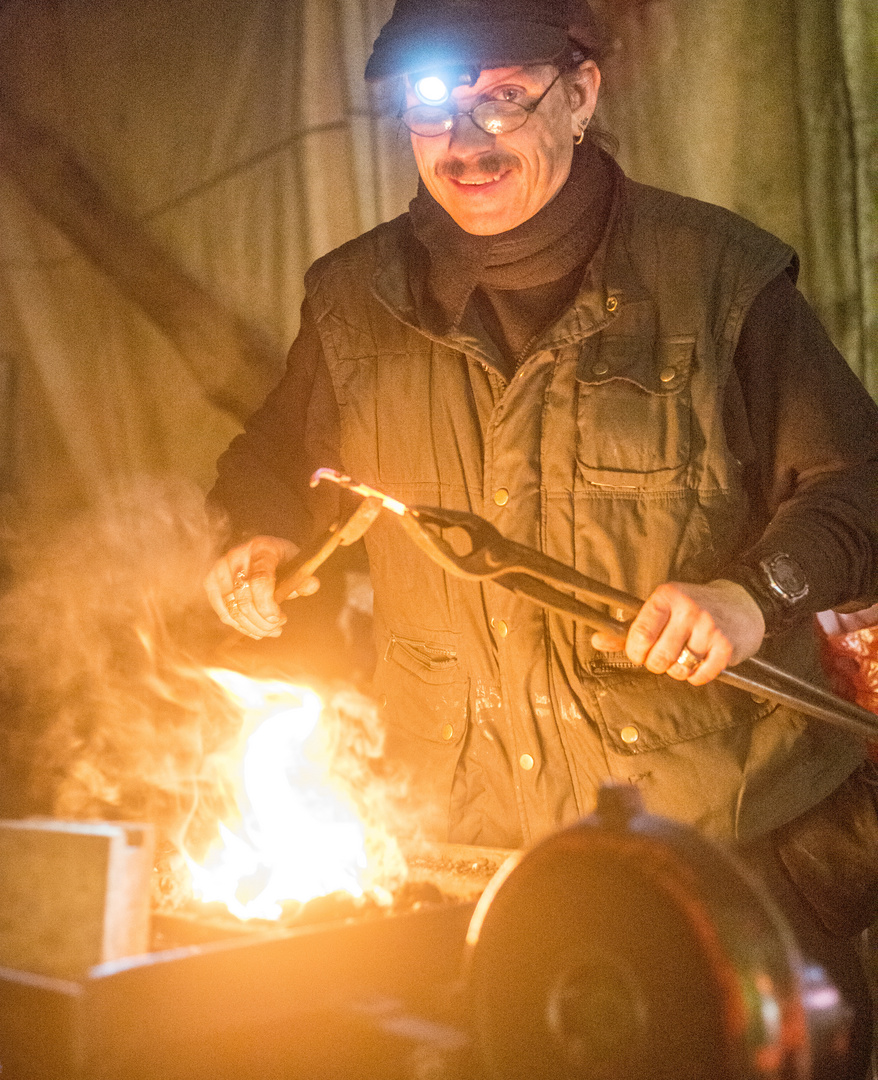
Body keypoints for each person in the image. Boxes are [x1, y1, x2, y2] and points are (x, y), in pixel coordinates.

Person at [205, 1, 878, 1071]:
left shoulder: (718, 281)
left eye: (501, 100)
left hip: (719, 860)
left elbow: (856, 487)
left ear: (579, 96)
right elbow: (273, 465)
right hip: (464, 870)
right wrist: (260, 535)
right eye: (431, 108)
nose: (465, 142)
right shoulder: (351, 302)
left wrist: (747, 596)